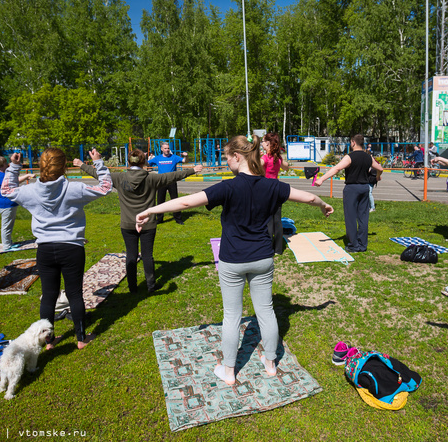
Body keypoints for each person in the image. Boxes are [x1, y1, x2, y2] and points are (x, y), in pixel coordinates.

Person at [136, 135, 333, 385]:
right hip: (262, 258)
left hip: (232, 261)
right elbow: (309, 197)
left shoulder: (228, 186)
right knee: (266, 311)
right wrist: (324, 205)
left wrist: (151, 209)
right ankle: (270, 364)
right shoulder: (272, 185)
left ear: (237, 157)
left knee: (232, 315)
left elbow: (186, 201)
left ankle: (229, 371)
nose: (226, 161)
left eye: (227, 156)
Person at [1, 148, 111, 350]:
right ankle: (81, 339)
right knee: (74, 294)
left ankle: (49, 342)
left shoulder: (31, 191)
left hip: (45, 249)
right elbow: (105, 187)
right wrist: (98, 162)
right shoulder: (74, 188)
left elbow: (6, 191)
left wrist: (14, 166)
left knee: (48, 295)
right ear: (64, 166)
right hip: (71, 248)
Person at [75, 150, 202, 293]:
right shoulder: (152, 179)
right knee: (147, 255)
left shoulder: (118, 177)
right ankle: (151, 286)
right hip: (148, 224)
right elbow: (173, 176)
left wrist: (82, 165)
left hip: (127, 224)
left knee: (131, 255)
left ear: (128, 162)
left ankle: (132, 287)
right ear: (144, 162)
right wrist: (192, 170)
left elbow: (98, 174)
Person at [314, 134, 383, 252]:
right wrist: (377, 177)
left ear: (353, 142)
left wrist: (321, 179)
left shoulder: (349, 157)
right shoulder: (368, 157)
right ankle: (362, 245)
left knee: (351, 217)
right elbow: (380, 169)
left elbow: (336, 168)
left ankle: (353, 245)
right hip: (364, 188)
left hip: (352, 188)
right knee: (363, 217)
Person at [0, 156, 35, 251]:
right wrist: (26, 176)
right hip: (6, 204)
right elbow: (13, 181)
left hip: (6, 204)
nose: (8, 165)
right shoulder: (1, 176)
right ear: (2, 165)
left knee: (8, 225)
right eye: (6, 164)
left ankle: (8, 242)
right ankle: (7, 246)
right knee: (6, 226)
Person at [261, 132, 290, 254]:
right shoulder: (278, 158)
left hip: (265, 189)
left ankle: (267, 247)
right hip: (277, 188)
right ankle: (278, 248)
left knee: (267, 220)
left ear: (267, 143)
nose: (262, 143)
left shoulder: (264, 158)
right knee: (277, 219)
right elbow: (286, 167)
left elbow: (256, 168)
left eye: (263, 141)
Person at [148, 142, 188, 224]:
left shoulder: (174, 157)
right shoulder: (157, 158)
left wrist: (186, 156)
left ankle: (178, 219)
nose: (167, 150)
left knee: (175, 200)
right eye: (165, 148)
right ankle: (159, 219)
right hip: (161, 182)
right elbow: (147, 163)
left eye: (168, 148)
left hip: (172, 181)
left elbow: (184, 161)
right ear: (162, 149)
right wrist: (143, 157)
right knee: (160, 201)